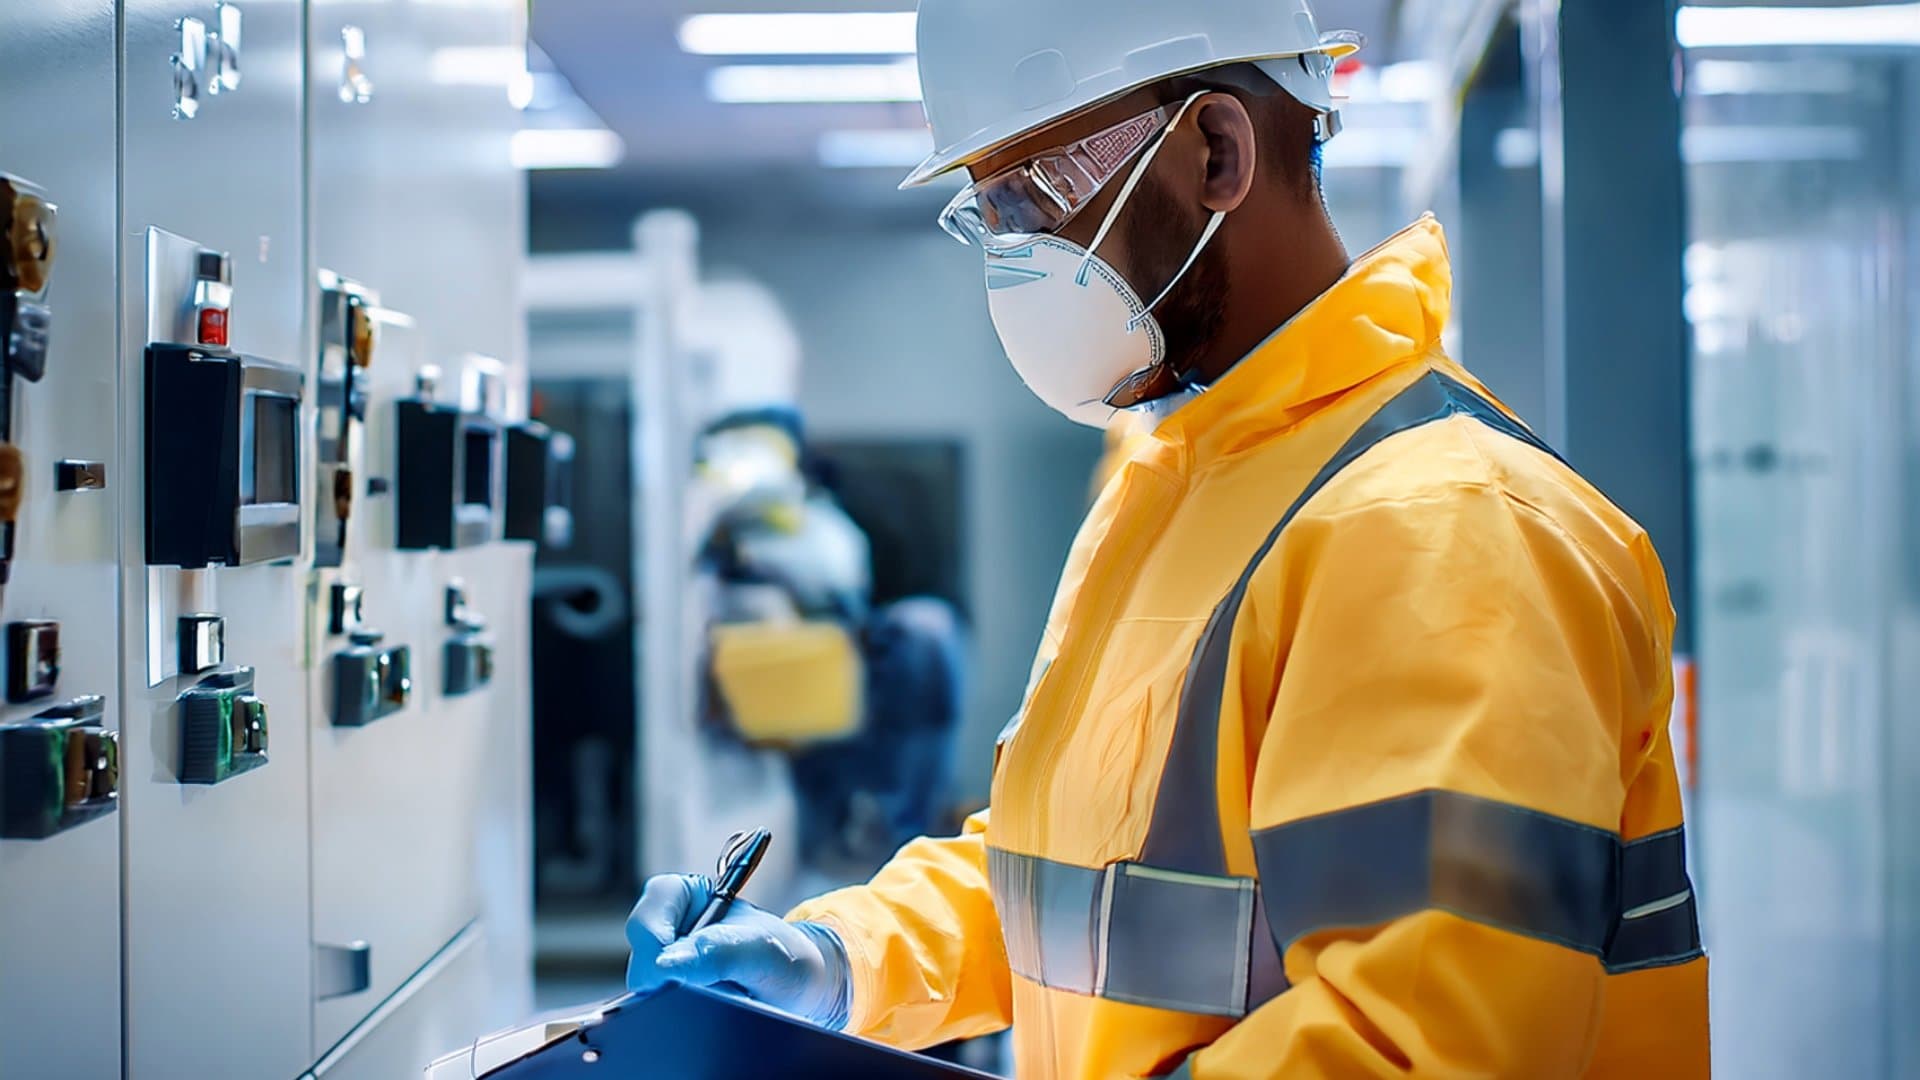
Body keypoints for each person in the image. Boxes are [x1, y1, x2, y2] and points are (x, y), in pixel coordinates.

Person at [626, 1, 1711, 1075]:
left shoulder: (1446, 530)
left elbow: (1407, 1051)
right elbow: (1075, 880)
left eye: (1035, 195)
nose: (1011, 254)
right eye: (986, 214)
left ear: (1217, 152)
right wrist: (837, 960)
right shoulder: (1175, 490)